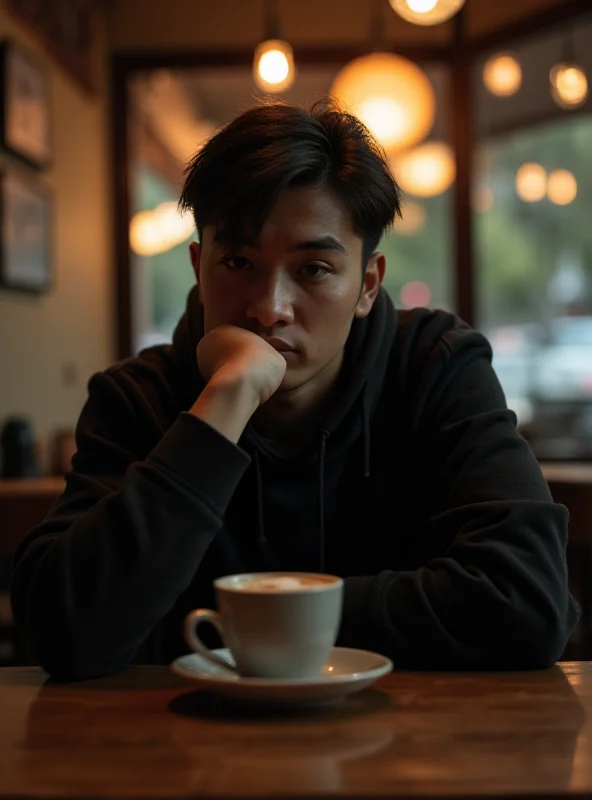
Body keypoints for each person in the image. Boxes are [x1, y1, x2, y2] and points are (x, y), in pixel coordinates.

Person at [11, 101, 578, 680]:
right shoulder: (138, 397)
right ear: (198, 268)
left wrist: (254, 618)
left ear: (368, 284)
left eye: (312, 269)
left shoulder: (435, 365)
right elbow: (62, 633)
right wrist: (224, 401)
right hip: (188, 753)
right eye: (237, 261)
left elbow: (526, 602)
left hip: (408, 755)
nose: (269, 308)